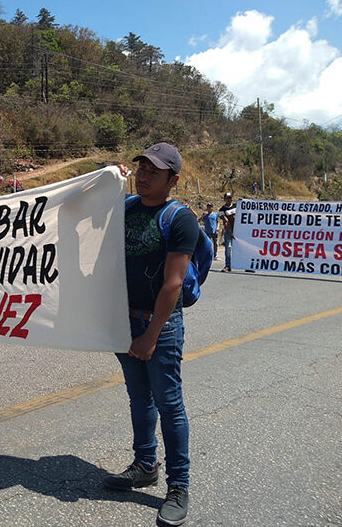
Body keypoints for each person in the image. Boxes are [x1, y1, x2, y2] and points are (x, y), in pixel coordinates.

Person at [105, 142, 199, 527]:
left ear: (172, 180)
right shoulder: (126, 208)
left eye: (153, 172)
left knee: (169, 403)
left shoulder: (181, 219)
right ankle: (145, 464)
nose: (143, 176)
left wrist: (151, 335)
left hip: (160, 324)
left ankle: (178, 486)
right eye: (141, 168)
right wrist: (106, 179)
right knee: (139, 398)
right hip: (123, 322)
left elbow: (173, 284)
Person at [219, 192, 236, 272]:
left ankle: (245, 265)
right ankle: (228, 265)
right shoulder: (222, 210)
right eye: (227, 198)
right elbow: (226, 222)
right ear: (225, 199)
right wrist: (230, 233)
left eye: (230, 198)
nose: (229, 200)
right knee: (228, 248)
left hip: (239, 230)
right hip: (228, 231)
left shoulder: (237, 206)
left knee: (242, 248)